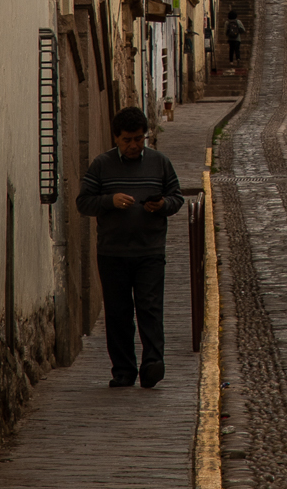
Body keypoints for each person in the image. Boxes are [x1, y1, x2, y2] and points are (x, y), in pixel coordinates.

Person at [78, 106, 184, 388]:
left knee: (150, 308)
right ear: (116, 138)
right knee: (118, 312)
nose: (134, 145)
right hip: (112, 253)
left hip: (150, 251)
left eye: (138, 139)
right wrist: (109, 201)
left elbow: (177, 198)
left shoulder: (160, 163)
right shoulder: (102, 166)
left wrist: (162, 206)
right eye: (127, 140)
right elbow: (83, 202)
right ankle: (124, 370)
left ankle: (152, 364)